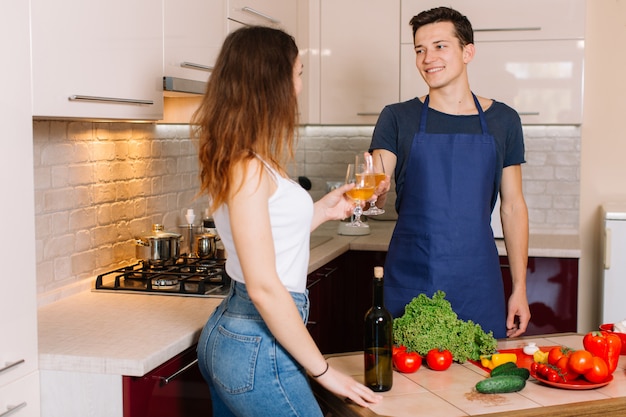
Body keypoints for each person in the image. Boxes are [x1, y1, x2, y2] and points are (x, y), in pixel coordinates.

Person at [191, 26, 382, 417]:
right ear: (273, 82)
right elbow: (262, 287)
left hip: (238, 335)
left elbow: (264, 240)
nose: (299, 85)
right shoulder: (248, 167)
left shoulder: (244, 157)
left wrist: (325, 210)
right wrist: (325, 372)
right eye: (298, 73)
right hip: (257, 341)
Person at [369, 6, 531, 339]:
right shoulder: (397, 117)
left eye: (440, 46)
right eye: (419, 49)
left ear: (468, 52)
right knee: (408, 386)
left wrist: (520, 288)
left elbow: (513, 206)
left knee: (477, 383)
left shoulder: (504, 120)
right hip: (412, 275)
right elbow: (377, 178)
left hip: (478, 279)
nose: (428, 58)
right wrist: (374, 191)